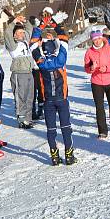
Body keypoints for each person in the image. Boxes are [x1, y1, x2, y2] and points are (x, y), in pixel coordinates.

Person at [32, 27, 76, 165]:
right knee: (66, 127)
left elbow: (32, 45)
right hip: (61, 99)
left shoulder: (41, 62)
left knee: (51, 129)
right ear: (54, 49)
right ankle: (69, 156)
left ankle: (54, 157)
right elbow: (64, 41)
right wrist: (57, 27)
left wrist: (38, 28)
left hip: (48, 101)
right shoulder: (60, 60)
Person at [84, 26, 110, 138]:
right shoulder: (89, 52)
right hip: (97, 82)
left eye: (98, 38)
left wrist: (106, 68)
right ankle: (102, 131)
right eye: (95, 39)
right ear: (92, 40)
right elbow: (86, 68)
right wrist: (91, 67)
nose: (97, 41)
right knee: (99, 107)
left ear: (102, 38)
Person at [4, 16, 35, 129]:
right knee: (20, 97)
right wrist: (14, 22)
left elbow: (30, 29)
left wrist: (24, 21)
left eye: (23, 32)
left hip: (29, 72)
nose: (22, 34)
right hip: (19, 73)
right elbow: (7, 33)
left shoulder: (25, 42)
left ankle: (28, 118)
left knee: (29, 97)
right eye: (19, 32)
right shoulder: (12, 44)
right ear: (14, 35)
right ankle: (21, 119)